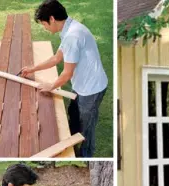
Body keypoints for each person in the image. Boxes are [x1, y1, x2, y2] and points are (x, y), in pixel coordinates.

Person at [21, 0, 108, 158]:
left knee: (86, 129)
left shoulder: (73, 36)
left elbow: (66, 74)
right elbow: (56, 58)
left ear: (52, 19)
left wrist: (51, 86)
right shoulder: (69, 29)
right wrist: (32, 69)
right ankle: (71, 146)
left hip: (91, 89)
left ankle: (85, 155)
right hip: (82, 84)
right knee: (73, 115)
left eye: (44, 24)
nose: (44, 28)